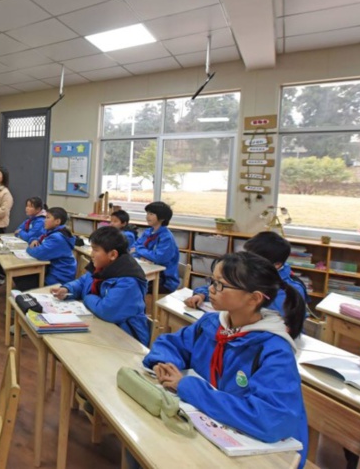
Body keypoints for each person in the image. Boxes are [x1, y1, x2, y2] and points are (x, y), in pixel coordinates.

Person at [144, 252, 308, 468]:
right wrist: (163, 363)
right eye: (212, 281)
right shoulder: (212, 323)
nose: (211, 289)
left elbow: (271, 420)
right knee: (147, 442)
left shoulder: (274, 350)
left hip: (261, 451)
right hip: (211, 423)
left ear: (254, 298)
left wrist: (189, 387)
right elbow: (173, 344)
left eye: (221, 285)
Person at [51, 226, 149, 346]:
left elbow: (107, 311)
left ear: (112, 254)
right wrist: (67, 289)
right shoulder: (102, 267)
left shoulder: (128, 281)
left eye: (95, 250)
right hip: (101, 325)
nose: (91, 254)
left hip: (127, 338)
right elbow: (82, 282)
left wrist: (87, 297)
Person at [185, 231, 310, 315]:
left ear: (276, 265)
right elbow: (224, 287)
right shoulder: (250, 271)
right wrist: (201, 295)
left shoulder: (291, 289)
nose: (247, 262)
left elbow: (271, 318)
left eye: (254, 258)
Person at [15, 206, 76, 291]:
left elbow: (39, 253)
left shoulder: (57, 238)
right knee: (20, 276)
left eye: (48, 218)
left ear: (57, 221)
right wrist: (34, 240)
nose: (45, 220)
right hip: (49, 271)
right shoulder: (51, 231)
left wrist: (29, 248)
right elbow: (36, 238)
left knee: (21, 279)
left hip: (57, 278)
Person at [131, 201, 180, 293]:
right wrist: (144, 254)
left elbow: (159, 258)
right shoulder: (148, 232)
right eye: (147, 213)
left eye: (151, 214)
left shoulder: (166, 237)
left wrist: (140, 251)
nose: (147, 216)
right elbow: (133, 248)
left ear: (162, 218)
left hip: (164, 281)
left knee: (131, 288)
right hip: (146, 271)